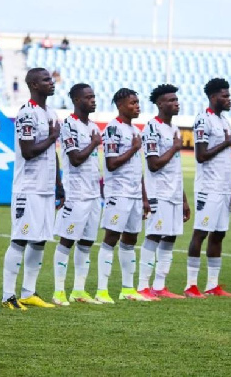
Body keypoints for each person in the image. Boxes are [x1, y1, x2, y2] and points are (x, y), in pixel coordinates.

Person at [1, 68, 61, 310]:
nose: (51, 82)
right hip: (28, 188)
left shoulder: (51, 112)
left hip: (46, 188)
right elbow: (28, 151)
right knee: (20, 239)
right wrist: (52, 136)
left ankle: (28, 292)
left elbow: (51, 152)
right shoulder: (27, 113)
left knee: (40, 240)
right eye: (46, 80)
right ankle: (8, 296)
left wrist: (59, 183)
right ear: (34, 85)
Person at [184, 78, 231, 299]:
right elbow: (201, 155)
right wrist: (225, 143)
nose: (228, 99)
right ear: (214, 97)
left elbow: (225, 159)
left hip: (223, 187)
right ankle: (191, 285)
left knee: (219, 234)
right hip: (208, 187)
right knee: (201, 232)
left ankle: (213, 285)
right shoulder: (202, 120)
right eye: (224, 96)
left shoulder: (224, 122)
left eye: (229, 95)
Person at [96, 88, 151, 304]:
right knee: (111, 238)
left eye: (138, 102)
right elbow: (111, 163)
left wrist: (144, 197)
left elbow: (139, 169)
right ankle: (102, 290)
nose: (137, 106)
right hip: (118, 193)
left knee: (131, 239)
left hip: (135, 194)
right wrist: (133, 149)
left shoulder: (136, 130)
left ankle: (127, 288)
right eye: (133, 103)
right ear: (120, 105)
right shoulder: (112, 129)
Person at [136, 84, 190, 300]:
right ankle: (142, 286)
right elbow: (153, 164)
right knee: (155, 235)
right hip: (158, 192)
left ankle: (159, 286)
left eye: (176, 99)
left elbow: (175, 168)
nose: (176, 103)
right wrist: (175, 148)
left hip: (175, 193)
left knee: (171, 238)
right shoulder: (151, 128)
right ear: (159, 104)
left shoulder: (174, 129)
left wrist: (184, 199)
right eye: (171, 100)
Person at [51, 83, 102, 305]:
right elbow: (75, 159)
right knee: (67, 241)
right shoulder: (69, 126)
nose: (93, 100)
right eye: (88, 97)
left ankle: (79, 290)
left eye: (94, 96)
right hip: (75, 193)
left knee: (87, 243)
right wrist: (93, 143)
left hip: (93, 194)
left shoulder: (93, 126)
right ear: (76, 100)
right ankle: (59, 291)